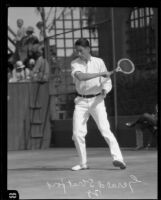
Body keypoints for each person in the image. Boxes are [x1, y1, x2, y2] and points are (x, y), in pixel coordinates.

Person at [70, 38, 126, 171]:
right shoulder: (74, 63)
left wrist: (105, 90)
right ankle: (83, 164)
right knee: (77, 133)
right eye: (77, 51)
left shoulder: (99, 62)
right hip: (81, 102)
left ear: (88, 49)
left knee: (105, 130)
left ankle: (118, 159)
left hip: (97, 101)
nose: (79, 53)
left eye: (81, 50)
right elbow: (81, 77)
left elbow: (107, 81)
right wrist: (101, 73)